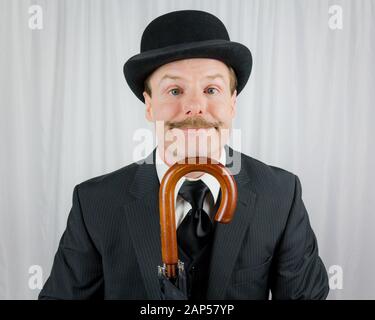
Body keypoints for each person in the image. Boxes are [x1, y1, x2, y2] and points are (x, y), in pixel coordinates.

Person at [39, 10, 329, 300]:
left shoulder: (280, 195)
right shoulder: (95, 204)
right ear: (149, 104)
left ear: (232, 103)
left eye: (211, 89)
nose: (195, 106)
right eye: (175, 90)